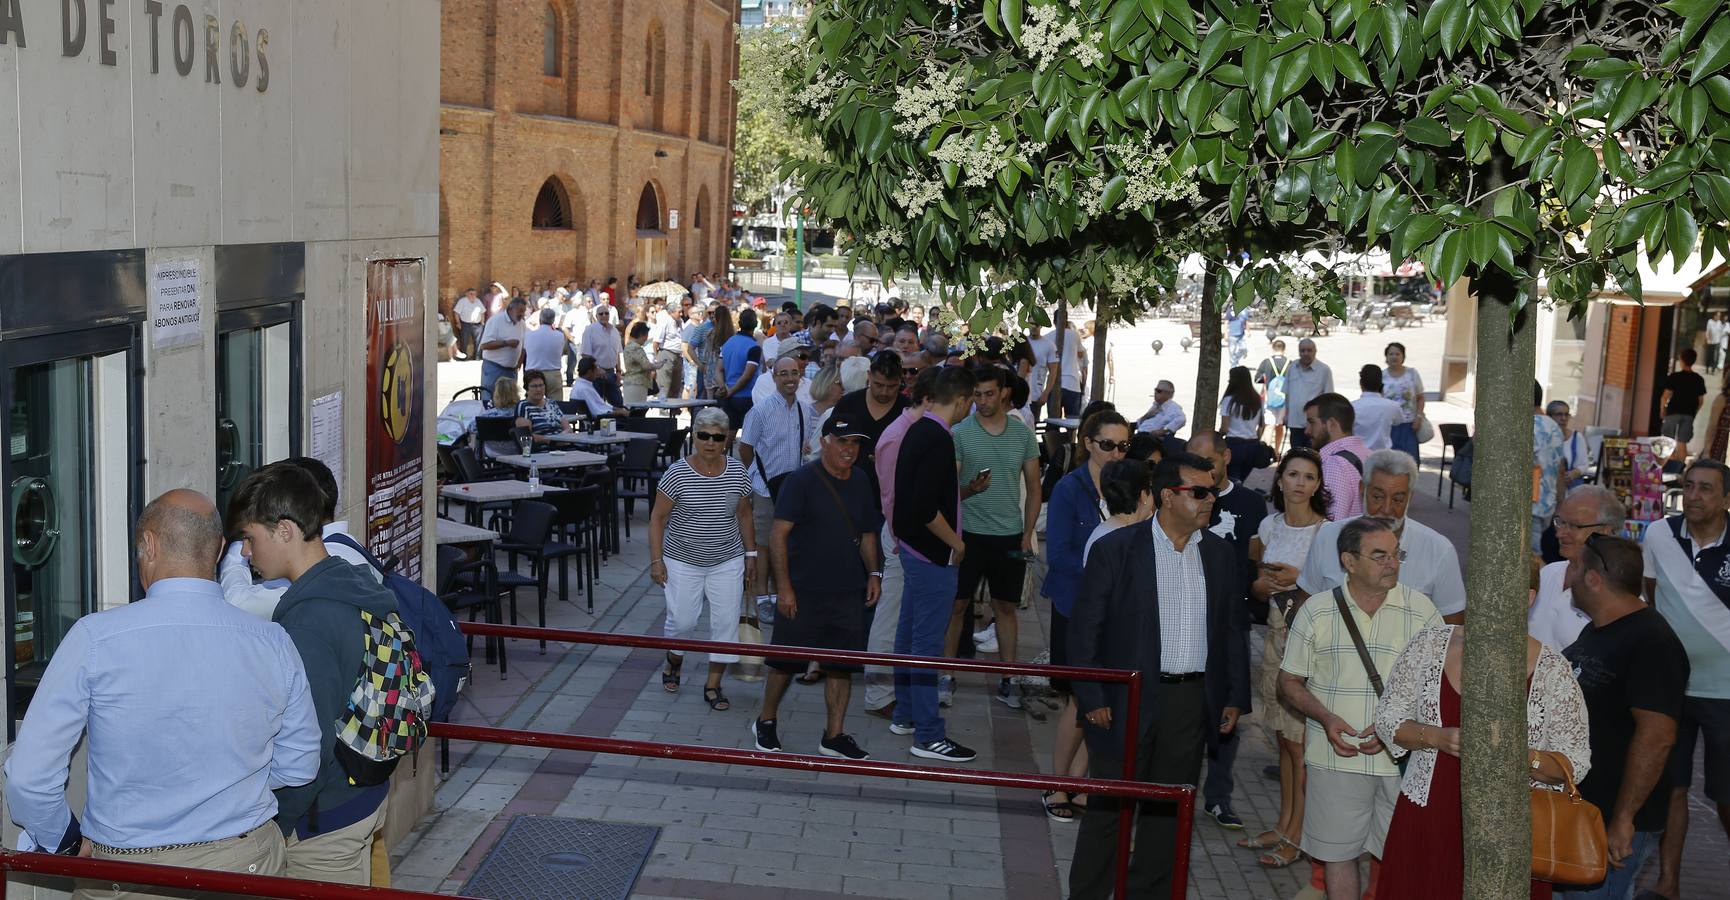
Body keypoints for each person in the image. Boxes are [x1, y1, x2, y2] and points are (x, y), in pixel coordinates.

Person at [4, 490, 320, 889]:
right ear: (220, 548)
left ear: (149, 545)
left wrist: (64, 843)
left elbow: (29, 779)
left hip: (128, 873)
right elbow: (300, 763)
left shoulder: (95, 639)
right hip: (247, 865)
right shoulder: (273, 641)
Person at [1067, 452, 1250, 900]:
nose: (1212, 501)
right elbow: (1084, 631)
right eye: (1201, 492)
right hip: (1126, 700)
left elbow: (1232, 632)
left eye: (1213, 490)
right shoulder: (1118, 549)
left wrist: (1234, 696)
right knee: (1109, 810)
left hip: (1190, 702)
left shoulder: (1221, 556)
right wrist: (1092, 699)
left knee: (1169, 815)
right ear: (1169, 496)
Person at [227, 464, 398, 883]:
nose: (246, 553)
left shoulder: (309, 623)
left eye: (250, 538)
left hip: (325, 820)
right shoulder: (350, 580)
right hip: (364, 793)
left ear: (285, 531)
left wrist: (279, 823)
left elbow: (310, 748)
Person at [1280, 517, 1440, 900]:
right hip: (1335, 759)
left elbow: (1438, 687)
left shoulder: (1421, 610)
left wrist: (1398, 729)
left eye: (1396, 554)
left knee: (1401, 859)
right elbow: (1288, 682)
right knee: (1338, 858)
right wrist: (1326, 717)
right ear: (1348, 562)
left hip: (1403, 761)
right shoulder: (1317, 610)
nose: (1392, 564)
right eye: (1379, 555)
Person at [1374, 620, 1589, 900]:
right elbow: (1387, 719)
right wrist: (1436, 737)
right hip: (1428, 821)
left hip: (1510, 835)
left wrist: (1523, 759)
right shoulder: (1430, 643)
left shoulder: (1552, 669)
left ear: (1529, 595)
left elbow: (1575, 763)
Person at [1557, 534, 1689, 900]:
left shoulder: (1652, 642)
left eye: (1574, 568)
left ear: (1594, 579)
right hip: (1584, 815)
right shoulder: (1597, 629)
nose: (1567, 578)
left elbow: (1657, 736)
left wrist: (1623, 819)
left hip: (1613, 824)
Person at [752, 418, 886, 761]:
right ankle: (766, 721)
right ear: (824, 442)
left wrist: (873, 572)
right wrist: (784, 589)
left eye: (855, 444)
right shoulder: (802, 481)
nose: (849, 450)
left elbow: (868, 531)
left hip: (848, 590)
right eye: (842, 441)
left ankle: (834, 735)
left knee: (842, 665)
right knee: (785, 662)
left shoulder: (860, 480)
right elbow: (777, 536)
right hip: (804, 589)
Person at [1643, 458, 1730, 900]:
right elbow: (1651, 595)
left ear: (1726, 499)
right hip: (1672, 688)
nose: (1694, 496)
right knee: (1672, 786)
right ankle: (1668, 883)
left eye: (1706, 489)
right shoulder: (1659, 534)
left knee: (1727, 797)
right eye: (1689, 486)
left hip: (1727, 693)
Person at [1238, 448, 1329, 869]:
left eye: (1309, 477)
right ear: (1280, 480)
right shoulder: (1269, 525)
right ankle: (1283, 822)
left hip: (1309, 644)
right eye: (1293, 474)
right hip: (1275, 637)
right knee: (1281, 738)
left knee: (1300, 744)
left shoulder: (1327, 533)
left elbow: (1334, 597)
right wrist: (1262, 586)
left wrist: (1299, 581)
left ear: (1317, 484)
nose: (1299, 483)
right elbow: (1253, 579)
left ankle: (1298, 834)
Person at [1040, 417, 1133, 821]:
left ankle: (1078, 784)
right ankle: (1056, 785)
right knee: (1079, 700)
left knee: (1102, 701)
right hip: (1075, 607)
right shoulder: (1068, 488)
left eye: (1124, 446)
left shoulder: (1129, 487)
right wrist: (1104, 576)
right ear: (1087, 444)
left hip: (1114, 614)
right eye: (1108, 445)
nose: (1116, 453)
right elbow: (1056, 555)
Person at [891, 366, 980, 762]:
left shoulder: (917, 429)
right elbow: (927, 506)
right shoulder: (938, 438)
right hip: (931, 554)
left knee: (909, 636)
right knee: (926, 645)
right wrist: (955, 542)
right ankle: (928, 734)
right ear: (960, 400)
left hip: (914, 549)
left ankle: (906, 714)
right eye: (970, 401)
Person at [945, 365, 1042, 710]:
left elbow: (1034, 489)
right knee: (957, 605)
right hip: (968, 535)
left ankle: (1009, 677)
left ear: (1003, 393)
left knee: (1006, 607)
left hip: (1009, 536)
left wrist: (1028, 533)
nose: (982, 401)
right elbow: (948, 492)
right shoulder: (960, 433)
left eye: (988, 394)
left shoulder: (1022, 434)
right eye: (977, 395)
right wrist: (970, 489)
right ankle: (946, 675)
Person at [1184, 430, 1267, 829]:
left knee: (1229, 708)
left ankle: (1218, 797)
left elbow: (1256, 563)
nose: (1202, 471)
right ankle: (1178, 792)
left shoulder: (1251, 504)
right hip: (1184, 617)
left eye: (1209, 462)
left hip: (1231, 621)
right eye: (1194, 462)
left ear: (1226, 457)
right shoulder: (1182, 496)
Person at [649, 407, 757, 712]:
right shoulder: (677, 473)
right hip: (682, 558)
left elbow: (745, 514)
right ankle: (674, 659)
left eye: (717, 436)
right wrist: (656, 561)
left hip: (727, 558)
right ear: (694, 436)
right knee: (683, 621)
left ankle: (713, 684)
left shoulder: (737, 472)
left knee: (725, 625)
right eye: (703, 435)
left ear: (726, 439)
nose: (710, 442)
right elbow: (657, 518)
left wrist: (751, 555)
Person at [1298, 449, 1470, 621]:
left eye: (1397, 500)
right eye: (1378, 497)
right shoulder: (1328, 536)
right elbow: (1305, 608)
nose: (1387, 509)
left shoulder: (1438, 550)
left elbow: (1452, 628)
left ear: (1410, 498)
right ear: (1362, 490)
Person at [865, 366, 943, 721]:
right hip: (901, 536)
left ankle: (895, 692)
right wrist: (900, 537)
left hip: (908, 535)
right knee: (891, 618)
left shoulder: (915, 431)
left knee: (904, 619)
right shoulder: (900, 436)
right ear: (928, 401)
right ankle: (880, 695)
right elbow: (893, 495)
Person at [219, 458, 376, 619]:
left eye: (250, 539)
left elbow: (239, 603)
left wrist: (238, 543)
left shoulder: (313, 577)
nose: (246, 551)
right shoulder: (345, 548)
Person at [740, 355, 817, 613]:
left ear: (800, 376)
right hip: (764, 488)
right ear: (774, 377)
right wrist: (758, 475)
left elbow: (805, 446)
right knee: (763, 543)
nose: (789, 379)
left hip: (793, 488)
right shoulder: (760, 410)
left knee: (784, 542)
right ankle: (762, 596)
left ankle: (777, 591)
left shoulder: (805, 410)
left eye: (793, 373)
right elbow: (746, 447)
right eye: (783, 374)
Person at [1528, 486, 1626, 652]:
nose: (1560, 533)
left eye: (1574, 526)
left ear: (1606, 532)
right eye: (1560, 522)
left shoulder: (1618, 595)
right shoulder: (1548, 573)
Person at [1305, 392, 1368, 521]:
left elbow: (1333, 525)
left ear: (1332, 424)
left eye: (1312, 423)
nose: (1307, 430)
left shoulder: (1335, 464)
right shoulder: (1367, 453)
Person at [1533, 381, 1571, 553]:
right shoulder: (1554, 427)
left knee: (1529, 558)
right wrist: (1560, 503)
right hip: (1548, 503)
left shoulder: (1528, 426)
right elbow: (1560, 469)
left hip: (1530, 502)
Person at [1660, 348, 1708, 464]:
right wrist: (1694, 413)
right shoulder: (1698, 379)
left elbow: (1665, 396)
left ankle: (1666, 466)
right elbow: (1700, 401)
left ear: (1681, 360)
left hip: (1673, 412)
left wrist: (1662, 410)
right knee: (1682, 442)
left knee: (1668, 441)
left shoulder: (1675, 377)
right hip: (1688, 414)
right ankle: (1679, 470)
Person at [1284, 339, 1334, 449]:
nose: (1306, 353)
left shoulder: (1324, 370)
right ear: (1298, 352)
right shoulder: (1292, 367)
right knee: (1296, 455)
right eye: (1302, 351)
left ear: (1315, 351)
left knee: (1313, 457)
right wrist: (1286, 415)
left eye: (1309, 350)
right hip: (1295, 423)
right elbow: (1287, 394)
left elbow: (1329, 399)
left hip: (1314, 425)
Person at [718, 308, 763, 429]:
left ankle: (724, 449)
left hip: (729, 395)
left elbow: (718, 369)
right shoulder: (754, 347)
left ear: (739, 323)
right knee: (749, 435)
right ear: (755, 324)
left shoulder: (728, 343)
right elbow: (747, 376)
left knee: (729, 432)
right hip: (747, 396)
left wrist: (724, 388)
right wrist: (731, 391)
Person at [1381, 342, 1426, 462]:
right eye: (1391, 354)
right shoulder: (1382, 376)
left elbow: (1420, 397)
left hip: (1409, 425)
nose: (1394, 357)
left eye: (1397, 354)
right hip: (1389, 426)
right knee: (1390, 462)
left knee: (1410, 461)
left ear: (1403, 356)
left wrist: (1419, 416)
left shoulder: (1412, 373)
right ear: (1386, 357)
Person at [1219, 365, 1265, 481]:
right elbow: (1261, 425)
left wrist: (1218, 436)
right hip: (1252, 444)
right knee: (1242, 479)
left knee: (1232, 478)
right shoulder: (1256, 399)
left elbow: (1224, 428)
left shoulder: (1229, 400)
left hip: (1234, 443)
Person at [477, 295, 527, 401]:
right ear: (511, 309)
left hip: (511, 371)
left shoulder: (521, 323)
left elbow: (523, 345)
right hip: (494, 369)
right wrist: (506, 343)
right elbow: (484, 345)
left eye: (524, 311)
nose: (522, 314)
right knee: (490, 399)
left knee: (510, 401)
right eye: (520, 311)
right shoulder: (495, 321)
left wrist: (519, 362)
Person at [579, 303, 625, 405]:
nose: (604, 315)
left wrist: (618, 371)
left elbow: (617, 353)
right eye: (601, 314)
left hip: (611, 373)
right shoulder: (590, 330)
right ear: (596, 316)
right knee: (597, 406)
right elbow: (585, 354)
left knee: (618, 403)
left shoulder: (615, 331)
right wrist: (597, 369)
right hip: (595, 374)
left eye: (606, 313)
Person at [1352, 365, 1402, 452]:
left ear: (1361, 383)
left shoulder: (1352, 407)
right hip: (1383, 457)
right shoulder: (1393, 406)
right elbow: (1399, 421)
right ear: (1381, 384)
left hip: (1358, 456)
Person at [1547, 399, 1596, 485]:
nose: (1563, 418)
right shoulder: (1544, 438)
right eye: (1559, 414)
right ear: (1549, 417)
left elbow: (1584, 464)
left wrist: (1573, 474)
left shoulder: (1577, 438)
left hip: (1570, 488)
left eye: (1566, 414)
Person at [1256, 339, 1293, 455]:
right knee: (1279, 425)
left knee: (1269, 425)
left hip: (1269, 398)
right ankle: (1277, 451)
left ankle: (1267, 451)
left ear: (1273, 348)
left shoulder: (1267, 362)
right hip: (1283, 399)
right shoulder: (1290, 363)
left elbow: (1257, 378)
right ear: (1284, 349)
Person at [513, 370, 567, 443]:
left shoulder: (552, 403)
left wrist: (562, 438)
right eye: (534, 386)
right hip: (544, 448)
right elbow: (526, 436)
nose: (538, 389)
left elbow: (568, 428)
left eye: (541, 385)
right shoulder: (523, 406)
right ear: (526, 389)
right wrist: (552, 440)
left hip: (563, 444)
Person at [522, 307, 568, 392]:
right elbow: (561, 352)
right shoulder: (559, 335)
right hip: (553, 373)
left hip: (533, 373)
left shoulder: (529, 335)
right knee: (555, 402)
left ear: (540, 320)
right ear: (553, 321)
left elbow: (524, 351)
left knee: (533, 402)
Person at [649, 297, 686, 399]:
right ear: (672, 312)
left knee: (676, 384)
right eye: (679, 312)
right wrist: (658, 357)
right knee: (665, 383)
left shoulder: (680, 321)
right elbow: (656, 342)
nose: (681, 314)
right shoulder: (665, 321)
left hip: (678, 355)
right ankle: (663, 408)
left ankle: (673, 409)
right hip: (666, 353)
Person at [620, 321, 655, 405]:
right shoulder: (635, 348)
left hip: (632, 383)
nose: (646, 339)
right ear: (641, 335)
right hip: (637, 383)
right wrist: (657, 365)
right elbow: (646, 365)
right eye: (646, 336)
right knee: (637, 411)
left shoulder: (629, 346)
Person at [453, 288, 486, 359]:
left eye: (474, 294)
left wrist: (482, 322)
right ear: (467, 294)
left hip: (477, 325)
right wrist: (458, 322)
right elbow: (456, 312)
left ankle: (477, 357)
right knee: (464, 341)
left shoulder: (478, 301)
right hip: (465, 324)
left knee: (478, 342)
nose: (473, 295)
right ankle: (463, 357)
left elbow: (482, 312)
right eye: (471, 294)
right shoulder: (462, 301)